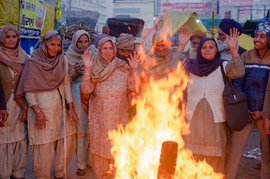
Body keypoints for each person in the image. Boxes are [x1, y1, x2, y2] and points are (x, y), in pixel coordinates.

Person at [15, 31, 78, 179]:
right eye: (52, 44)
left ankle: (60, 174)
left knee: (66, 141)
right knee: (43, 147)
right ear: (44, 44)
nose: (55, 48)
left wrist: (71, 106)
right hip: (41, 109)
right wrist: (37, 111)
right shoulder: (33, 62)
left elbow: (66, 83)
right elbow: (28, 89)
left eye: (58, 45)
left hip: (60, 109)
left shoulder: (62, 60)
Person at [184, 28, 244, 173]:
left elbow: (239, 72)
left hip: (215, 119)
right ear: (199, 50)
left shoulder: (222, 65)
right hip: (193, 120)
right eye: (204, 47)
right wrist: (180, 47)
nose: (207, 50)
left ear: (216, 50)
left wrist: (234, 51)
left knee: (215, 156)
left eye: (211, 47)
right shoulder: (190, 66)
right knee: (191, 155)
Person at [80, 37, 138, 179]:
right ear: (99, 51)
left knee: (118, 153)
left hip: (119, 118)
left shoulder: (123, 67)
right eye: (104, 48)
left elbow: (134, 88)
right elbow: (86, 90)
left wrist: (134, 70)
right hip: (100, 121)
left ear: (114, 50)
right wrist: (87, 70)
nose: (108, 51)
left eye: (110, 48)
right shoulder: (95, 68)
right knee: (100, 155)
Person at [225, 17, 270, 179]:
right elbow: (237, 82)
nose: (257, 39)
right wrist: (244, 109)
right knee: (234, 150)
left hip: (265, 116)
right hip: (246, 114)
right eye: (256, 36)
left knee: (267, 154)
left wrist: (264, 113)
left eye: (262, 36)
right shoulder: (246, 57)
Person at [0, 25, 28, 179]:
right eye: (7, 36)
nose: (11, 40)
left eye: (14, 36)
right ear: (2, 39)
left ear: (18, 38)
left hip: (20, 104)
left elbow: (28, 83)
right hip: (3, 104)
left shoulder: (24, 57)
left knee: (20, 137)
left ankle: (18, 172)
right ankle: (4, 173)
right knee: (3, 138)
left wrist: (26, 106)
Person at [65, 29, 90, 176]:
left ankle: (91, 161)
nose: (83, 45)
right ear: (75, 42)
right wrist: (74, 72)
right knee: (80, 131)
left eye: (86, 41)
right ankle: (81, 164)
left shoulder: (93, 55)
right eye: (80, 42)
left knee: (92, 131)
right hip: (76, 94)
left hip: (92, 95)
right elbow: (65, 80)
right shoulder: (68, 57)